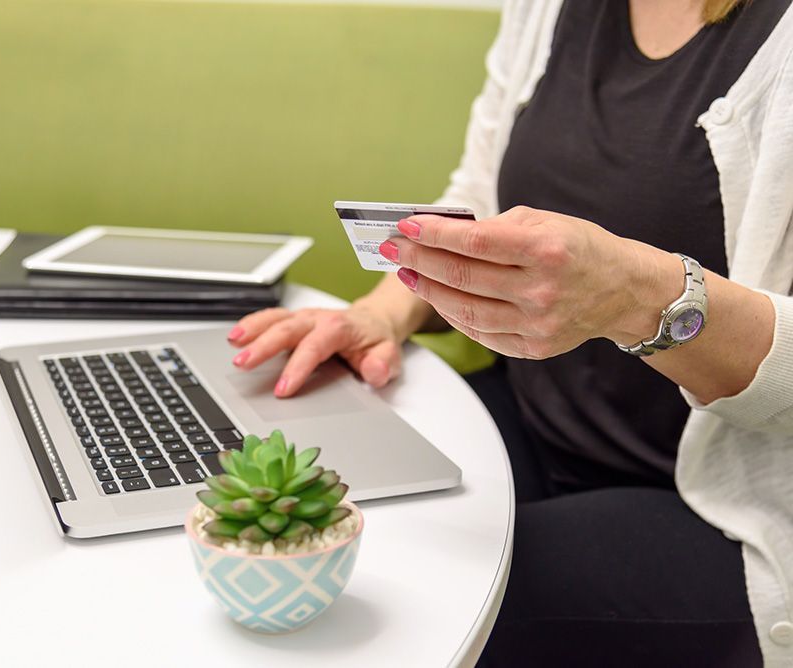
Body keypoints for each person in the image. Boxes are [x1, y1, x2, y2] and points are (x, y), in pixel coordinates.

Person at [226, 0, 793, 665]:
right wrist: (381, 313)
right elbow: (483, 199)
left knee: (399, 591)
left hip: (722, 508)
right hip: (531, 424)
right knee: (306, 510)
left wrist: (637, 296)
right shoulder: (544, 8)